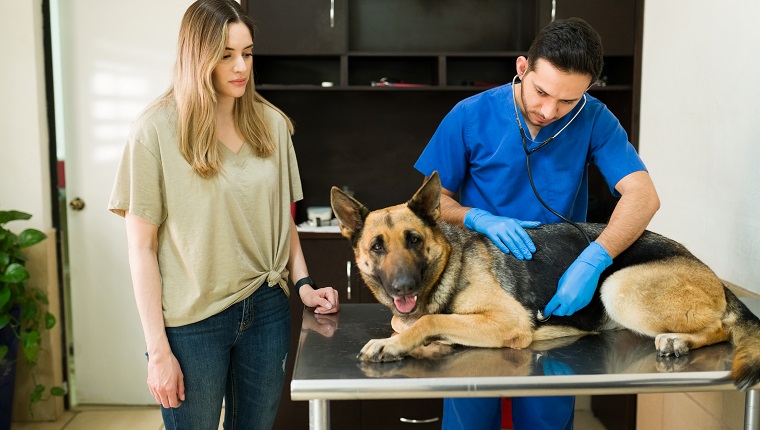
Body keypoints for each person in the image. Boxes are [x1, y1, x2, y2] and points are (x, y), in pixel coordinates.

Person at [414, 17, 660, 430]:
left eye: (567, 102)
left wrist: (595, 259)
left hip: (556, 290)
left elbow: (644, 196)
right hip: (478, 291)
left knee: (546, 416)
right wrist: (478, 218)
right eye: (541, 92)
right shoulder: (470, 115)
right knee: (469, 415)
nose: (549, 111)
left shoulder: (595, 119)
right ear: (523, 67)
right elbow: (434, 200)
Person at [108, 1, 340, 429]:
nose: (241, 67)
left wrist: (303, 284)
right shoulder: (153, 131)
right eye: (226, 54)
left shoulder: (271, 124)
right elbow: (140, 248)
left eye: (247, 53)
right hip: (192, 324)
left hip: (267, 310)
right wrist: (157, 350)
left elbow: (282, 219)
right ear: (197, 56)